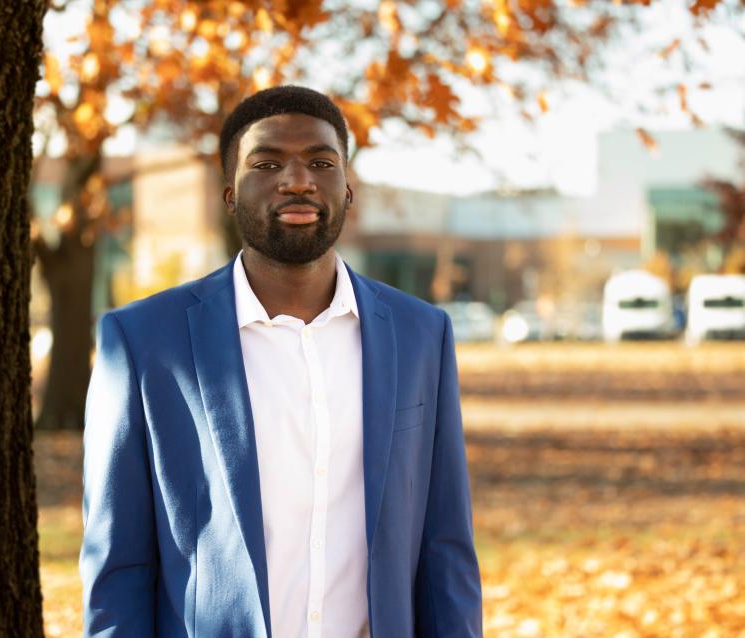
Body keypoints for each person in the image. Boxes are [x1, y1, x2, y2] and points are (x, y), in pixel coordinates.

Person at [80, 85, 482, 638]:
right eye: (267, 163)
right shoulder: (144, 340)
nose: (297, 180)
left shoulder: (421, 334)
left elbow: (445, 549)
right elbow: (118, 564)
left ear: (348, 189)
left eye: (321, 161)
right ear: (229, 192)